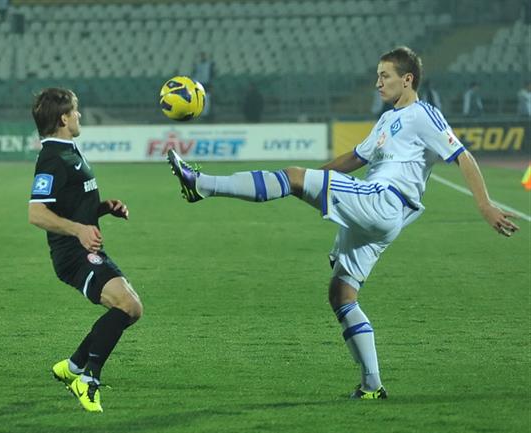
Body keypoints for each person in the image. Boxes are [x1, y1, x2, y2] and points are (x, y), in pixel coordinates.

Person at [167, 47, 519, 399]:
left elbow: (463, 156)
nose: (377, 83)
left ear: (407, 79)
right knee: (341, 293)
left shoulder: (423, 114)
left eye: (385, 76)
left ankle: (202, 185)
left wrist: (485, 205)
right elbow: (355, 158)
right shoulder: (387, 119)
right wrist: (310, 180)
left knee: (292, 177)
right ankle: (371, 386)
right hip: (378, 215)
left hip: (384, 201)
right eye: (378, 75)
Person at [28, 88, 143, 412]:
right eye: (75, 111)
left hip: (83, 248)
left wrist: (103, 208)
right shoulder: (52, 158)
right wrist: (79, 230)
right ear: (64, 118)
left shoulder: (68, 151)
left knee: (131, 309)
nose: (79, 115)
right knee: (127, 305)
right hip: (72, 254)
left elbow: (71, 202)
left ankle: (73, 367)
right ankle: (88, 379)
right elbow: (36, 213)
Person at [192, 52, 215, 118]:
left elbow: (212, 75)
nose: (203, 57)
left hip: (207, 84)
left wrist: (211, 85)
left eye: (204, 56)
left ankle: (206, 114)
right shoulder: (197, 65)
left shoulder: (209, 65)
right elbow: (194, 74)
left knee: (207, 99)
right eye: (202, 56)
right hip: (199, 83)